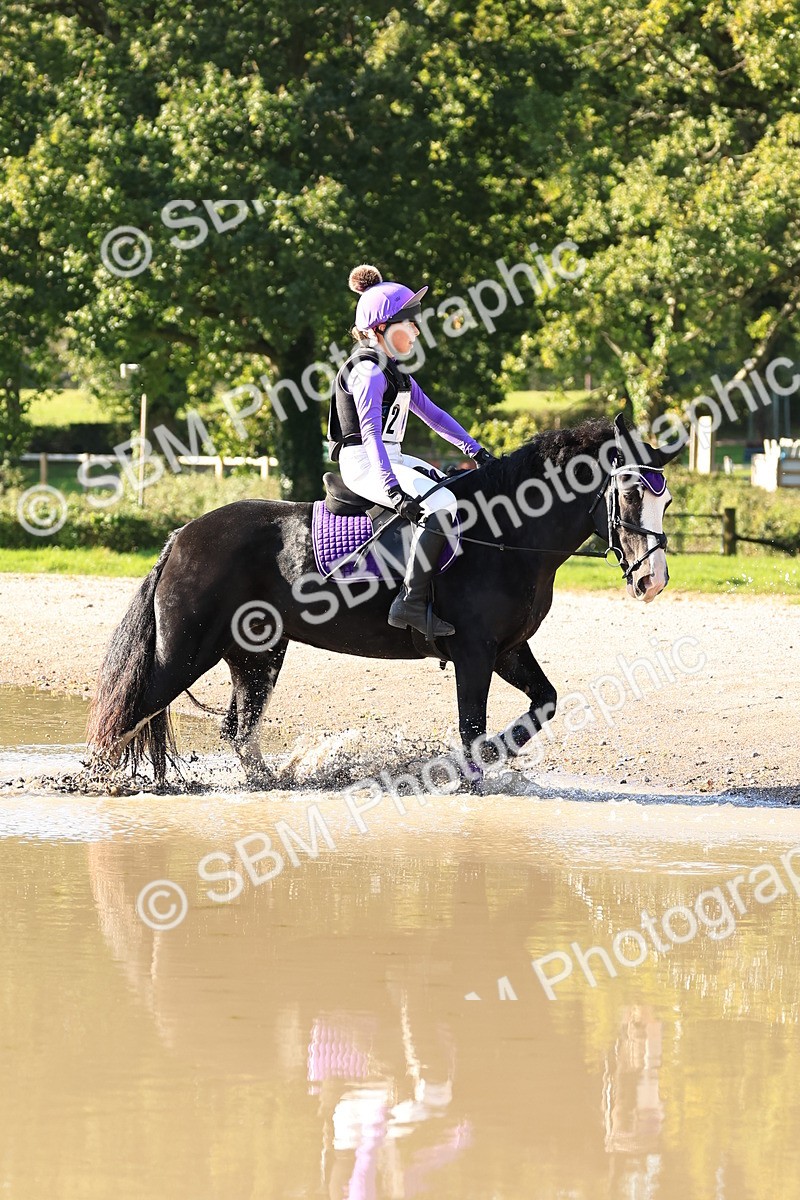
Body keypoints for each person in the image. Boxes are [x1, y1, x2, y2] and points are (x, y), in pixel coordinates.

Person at [328, 264, 493, 638]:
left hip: (390, 456)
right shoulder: (368, 370)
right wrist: (391, 488)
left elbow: (434, 416)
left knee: (459, 489)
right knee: (440, 504)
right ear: (380, 329)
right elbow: (369, 432)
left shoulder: (394, 371)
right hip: (365, 462)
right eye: (410, 323)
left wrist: (477, 452)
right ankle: (410, 603)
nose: (417, 330)